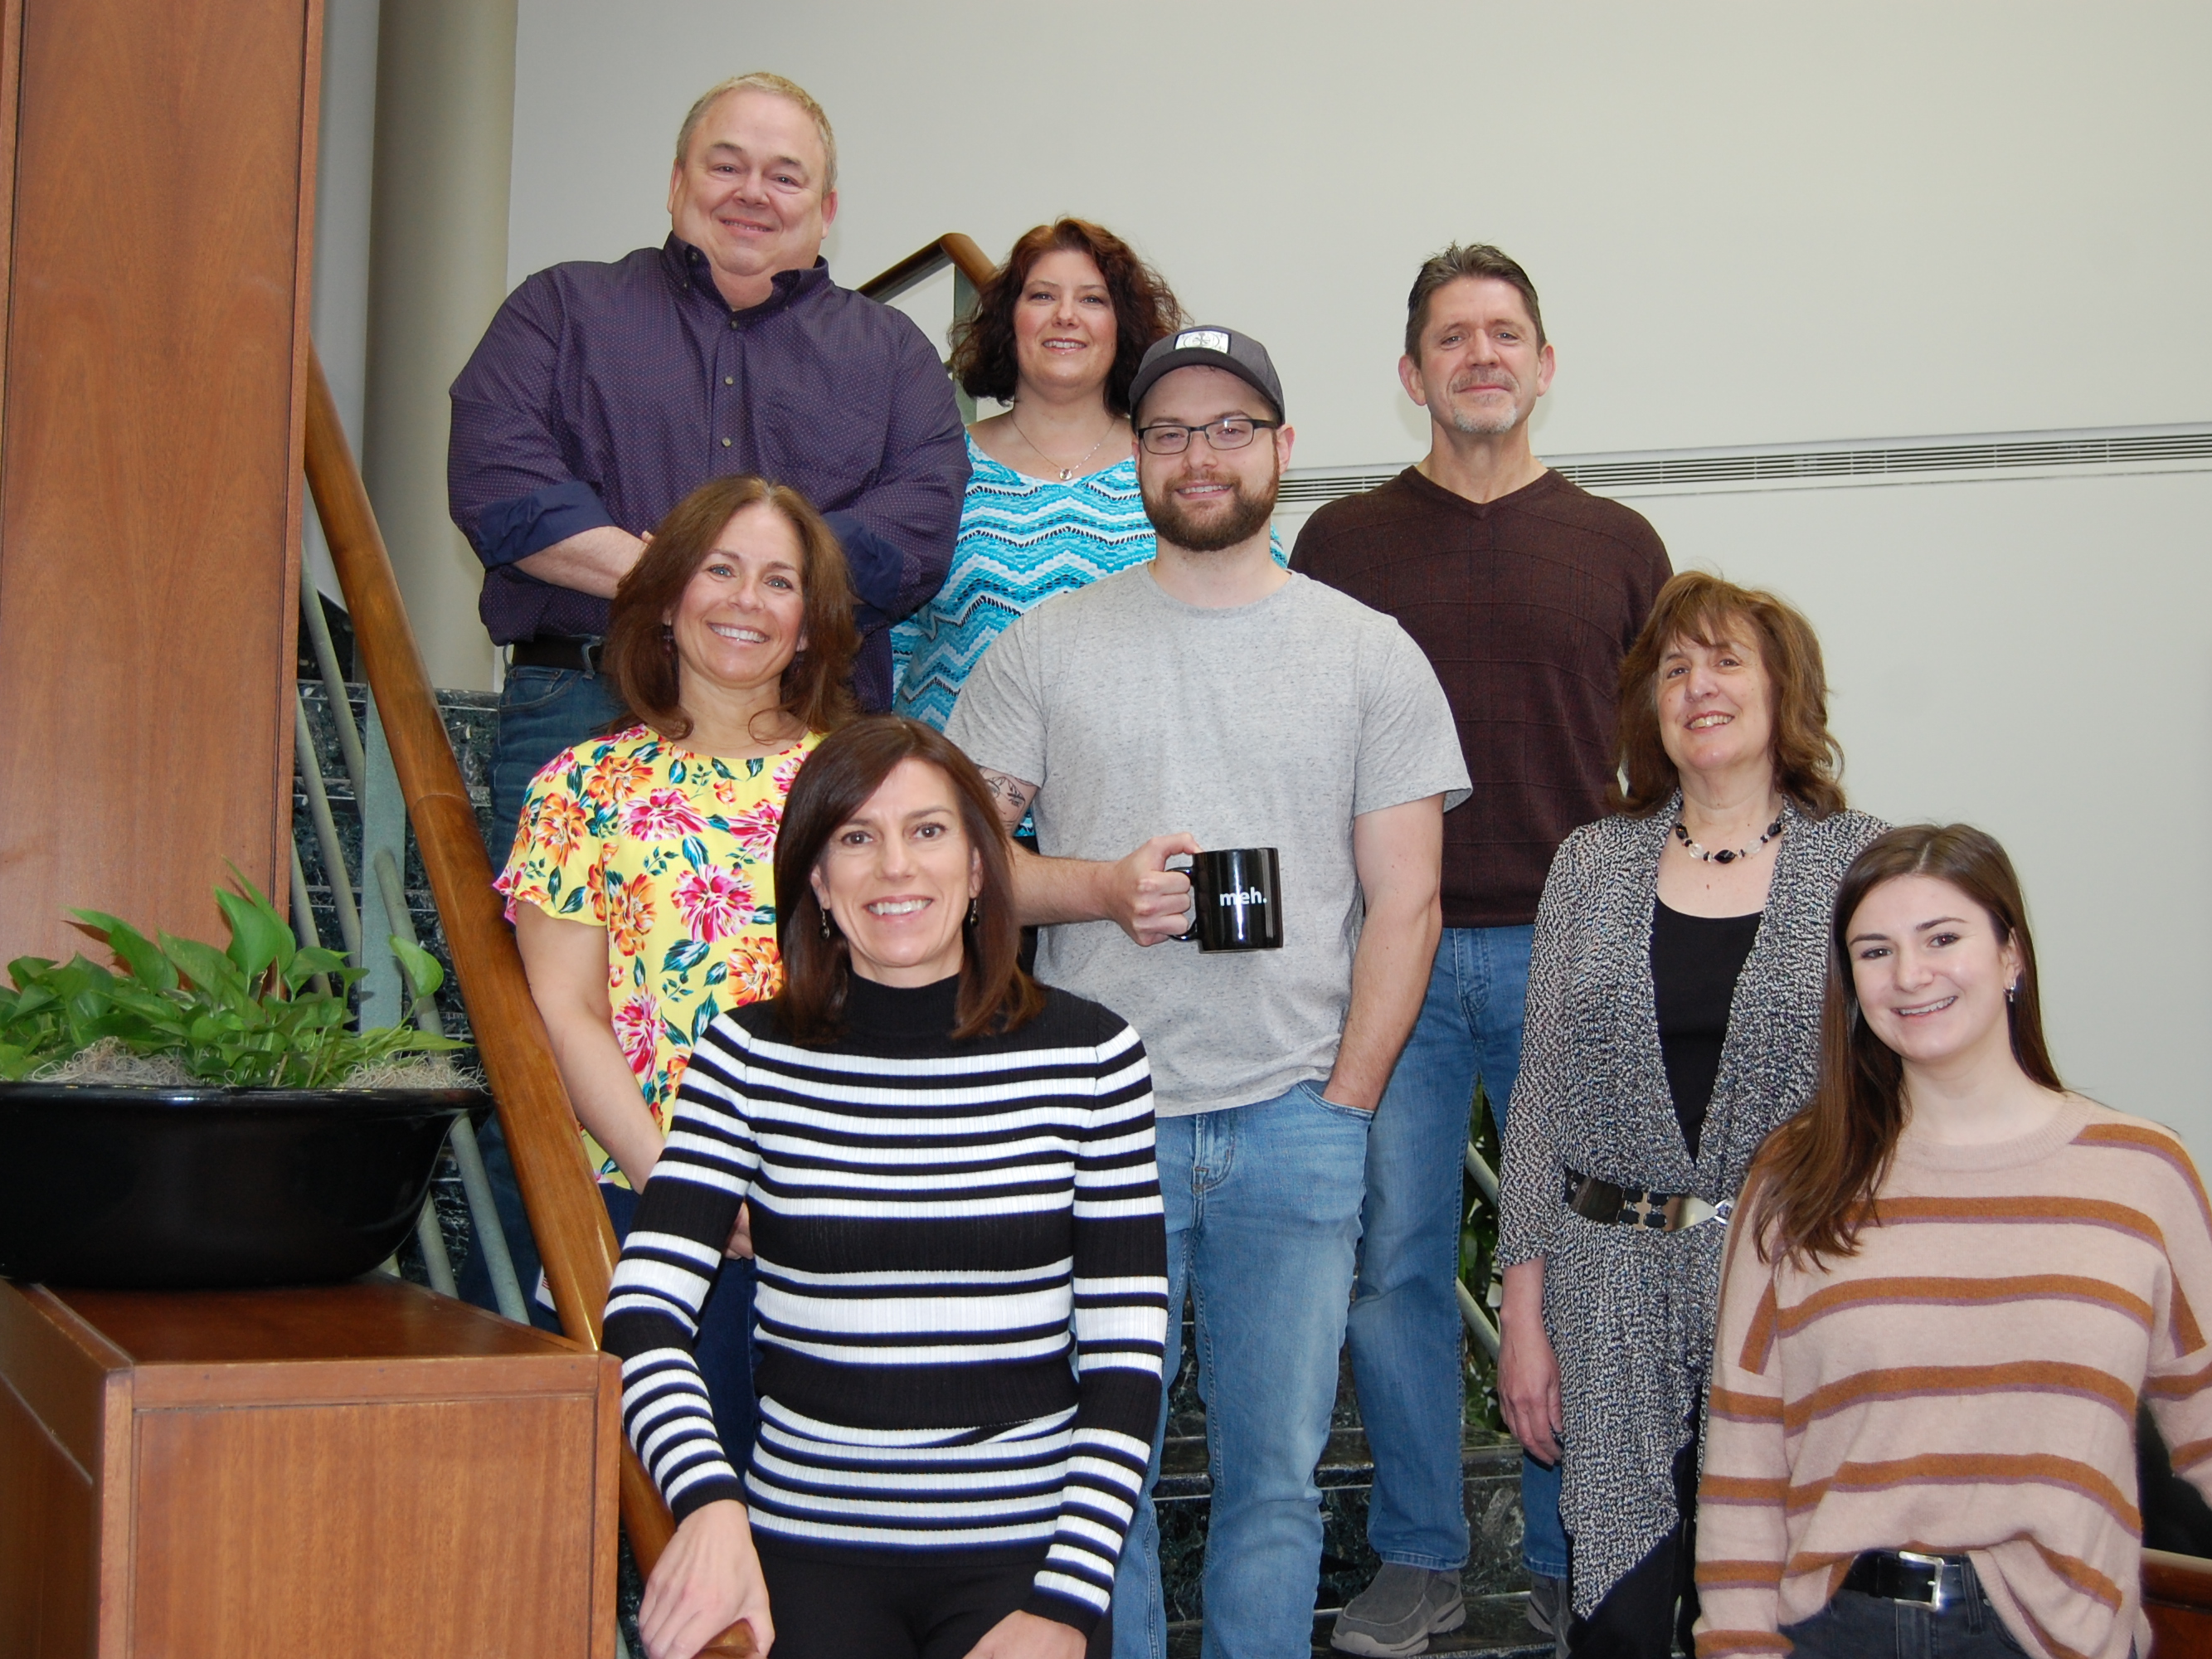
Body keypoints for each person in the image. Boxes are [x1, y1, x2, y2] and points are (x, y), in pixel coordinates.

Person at [946, 326, 1472, 1659]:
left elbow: (1408, 901)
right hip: (1098, 1124)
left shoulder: (1370, 653)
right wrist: (1099, 888)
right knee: (1099, 1492)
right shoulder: (1047, 646)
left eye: (1232, 427)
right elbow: (963, 869)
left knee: (1276, 1485)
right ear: (1135, 455)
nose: (1200, 454)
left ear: (1282, 449)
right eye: (1171, 430)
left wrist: (1346, 1101)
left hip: (1297, 1119)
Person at [1699, 825, 2212, 1658]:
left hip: (2056, 1634)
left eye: (1942, 938)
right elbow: (1746, 1446)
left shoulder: (2142, 1171)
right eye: (1874, 951)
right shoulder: (1797, 1173)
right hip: (1841, 1628)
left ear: (2010, 955)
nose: (1909, 974)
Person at [1291, 243, 1670, 1659]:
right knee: (1392, 1262)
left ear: (1543, 363)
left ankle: (1578, 1558)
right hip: (1391, 954)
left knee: (1580, 1263)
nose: (1480, 356)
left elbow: (1664, 761)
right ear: (1411, 374)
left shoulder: (1618, 544)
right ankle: (1419, 1556)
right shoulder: (1340, 546)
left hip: (1574, 955)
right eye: (1451, 337)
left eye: (1504, 333)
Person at [609, 717, 1168, 1659]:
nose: (894, 866)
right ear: (818, 881)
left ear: (980, 868)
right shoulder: (744, 1056)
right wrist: (706, 1503)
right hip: (803, 1553)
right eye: (855, 837)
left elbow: (1126, 1359)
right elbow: (642, 1314)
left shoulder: (1093, 1056)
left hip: (1026, 1568)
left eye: (928, 831)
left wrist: (1068, 1605)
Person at [1493, 572, 1886, 1659]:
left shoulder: (1858, 860)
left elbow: (1893, 1087)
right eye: (1674, 669)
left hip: (1789, 1285)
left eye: (1724, 661)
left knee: (1771, 1607)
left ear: (1782, 690)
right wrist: (1522, 1318)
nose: (1697, 687)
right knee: (1618, 1618)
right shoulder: (1591, 863)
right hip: (1606, 1291)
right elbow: (1538, 1097)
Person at [453, 69, 968, 878]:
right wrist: (697, 582)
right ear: (675, 182)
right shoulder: (557, 309)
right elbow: (500, 484)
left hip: (808, 727)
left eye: (785, 176)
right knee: (557, 961)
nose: (752, 192)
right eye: (726, 165)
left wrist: (710, 588)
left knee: (803, 962)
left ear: (826, 209)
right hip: (584, 707)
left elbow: (914, 535)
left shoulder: (896, 355)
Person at [496, 476, 857, 1459]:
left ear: (810, 623)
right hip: (644, 1190)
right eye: (719, 569)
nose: (747, 601)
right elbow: (565, 1009)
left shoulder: (861, 782)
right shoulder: (580, 787)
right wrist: (683, 1191)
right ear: (665, 597)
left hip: (836, 1203)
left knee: (827, 1518)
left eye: (778, 580)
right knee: (669, 1514)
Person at [891, 218, 1182, 732]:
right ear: (1010, 321)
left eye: (1093, 299)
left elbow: (1248, 599)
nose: (1066, 316)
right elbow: (889, 634)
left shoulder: (1176, 462)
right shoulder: (938, 462)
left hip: (1136, 773)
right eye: (1043, 296)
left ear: (1123, 326)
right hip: (954, 773)